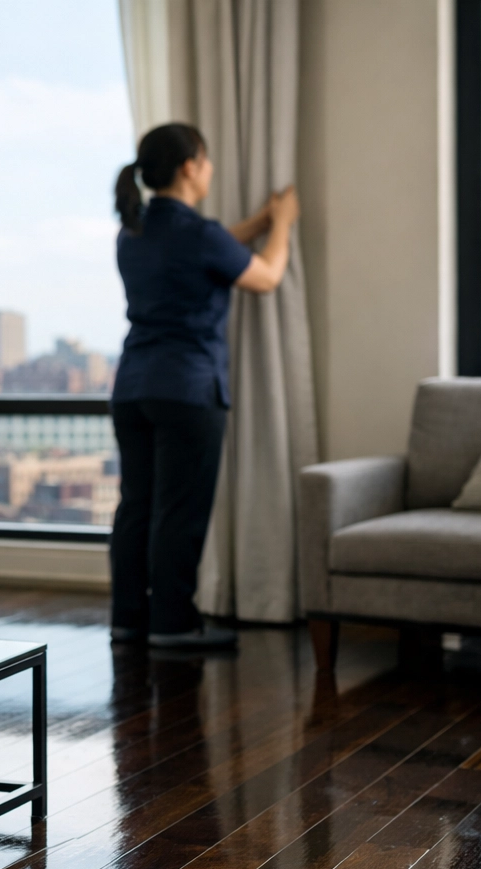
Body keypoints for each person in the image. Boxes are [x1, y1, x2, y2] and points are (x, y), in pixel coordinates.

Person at [108, 122, 298, 650]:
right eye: (208, 160)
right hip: (188, 389)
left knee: (137, 506)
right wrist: (281, 223)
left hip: (132, 388)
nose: (211, 169)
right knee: (179, 511)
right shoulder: (199, 235)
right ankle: (173, 624)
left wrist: (258, 220)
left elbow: (212, 248)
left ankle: (129, 619)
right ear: (190, 166)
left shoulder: (135, 230)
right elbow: (266, 276)